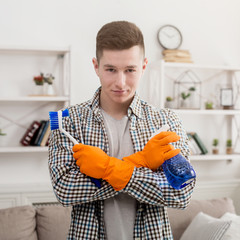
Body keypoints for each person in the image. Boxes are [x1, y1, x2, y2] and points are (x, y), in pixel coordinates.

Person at [48, 21, 196, 240]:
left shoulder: (165, 121)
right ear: (95, 66)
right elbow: (65, 190)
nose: (120, 82)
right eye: (110, 69)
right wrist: (141, 163)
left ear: (144, 66)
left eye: (130, 70)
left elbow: (180, 193)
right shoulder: (69, 122)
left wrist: (109, 169)